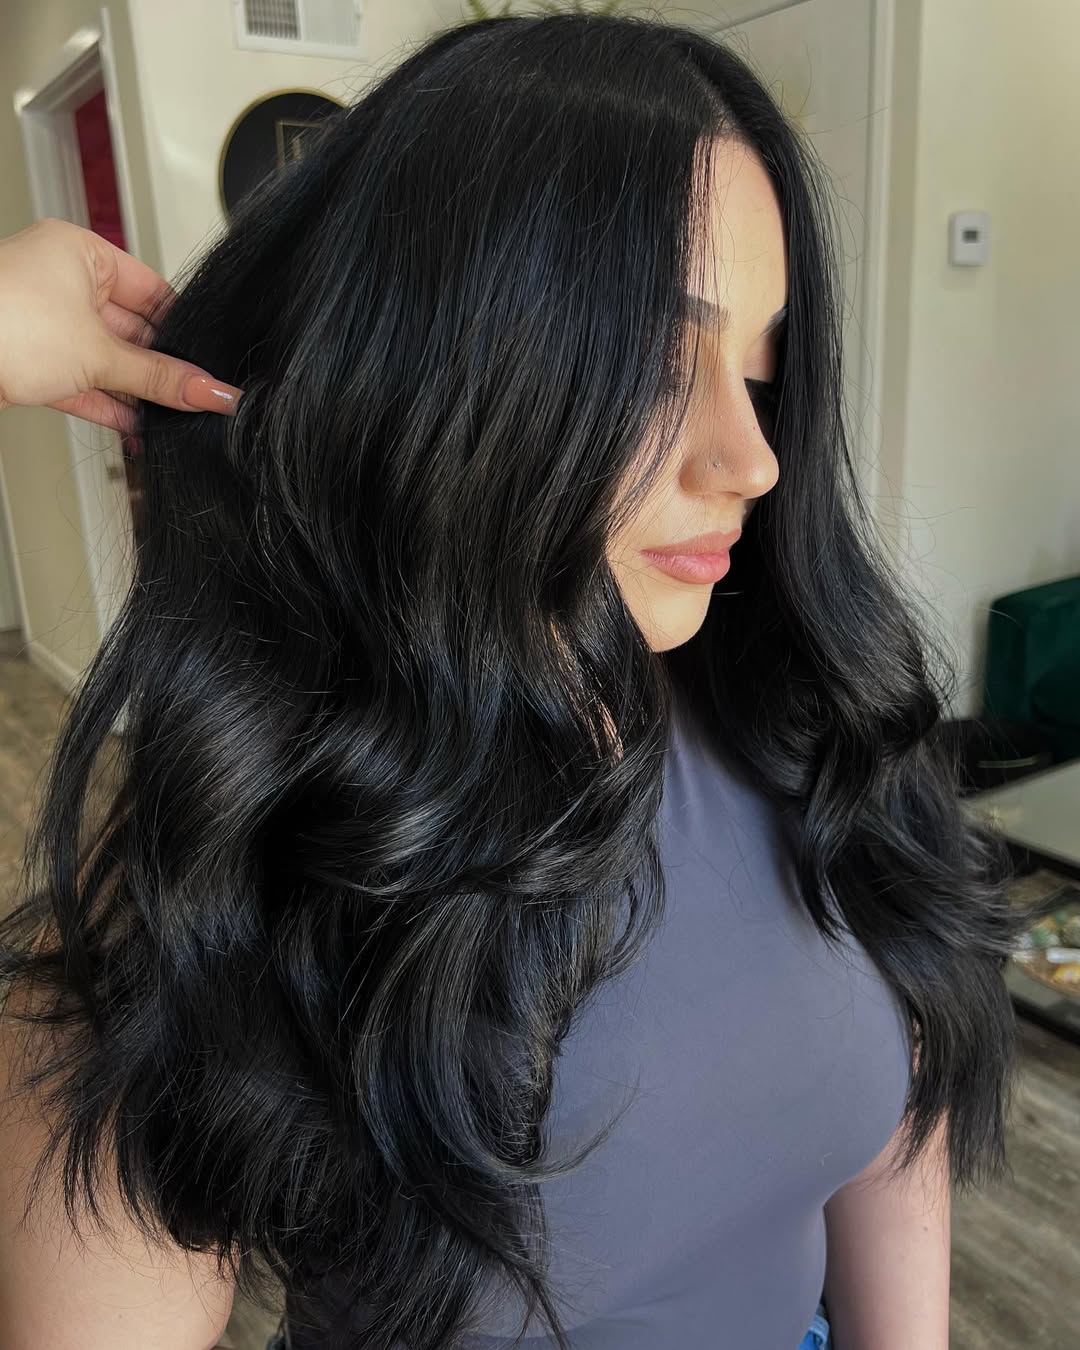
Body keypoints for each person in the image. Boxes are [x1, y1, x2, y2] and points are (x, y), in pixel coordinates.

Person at [0, 13, 1028, 1350]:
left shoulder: (801, 726)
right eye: (664, 358)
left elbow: (895, 1122)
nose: (753, 457)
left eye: (762, 367)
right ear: (446, 373)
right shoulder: (209, 890)